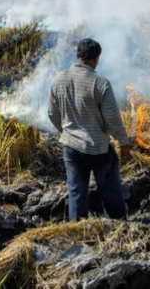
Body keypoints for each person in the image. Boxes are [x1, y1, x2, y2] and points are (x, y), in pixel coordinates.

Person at [48, 38, 133, 222]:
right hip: (98, 148)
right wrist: (124, 144)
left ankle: (77, 232)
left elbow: (52, 114)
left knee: (76, 192)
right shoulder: (100, 83)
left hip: (70, 148)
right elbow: (113, 120)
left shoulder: (58, 80)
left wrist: (67, 132)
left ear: (78, 56)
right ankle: (117, 227)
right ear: (95, 59)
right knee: (110, 188)